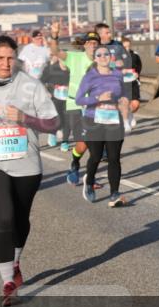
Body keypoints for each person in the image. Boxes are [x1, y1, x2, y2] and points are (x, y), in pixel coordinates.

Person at [0, 35, 59, 305]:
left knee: (19, 219)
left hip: (26, 162)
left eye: (10, 58)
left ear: (17, 58)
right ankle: (7, 283)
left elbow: (53, 124)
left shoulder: (31, 86)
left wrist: (24, 118)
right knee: (3, 217)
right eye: (0, 58)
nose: (5, 63)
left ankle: (14, 263)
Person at [75, 44, 128, 207]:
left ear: (111, 57)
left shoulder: (118, 75)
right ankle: (89, 181)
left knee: (114, 158)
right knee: (96, 157)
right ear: (95, 58)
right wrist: (98, 98)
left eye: (107, 54)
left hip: (113, 119)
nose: (103, 57)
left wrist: (124, 103)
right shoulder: (90, 76)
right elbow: (79, 99)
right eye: (99, 55)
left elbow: (123, 94)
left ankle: (114, 194)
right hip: (94, 120)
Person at [48, 22, 99, 186]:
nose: (92, 45)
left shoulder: (103, 61)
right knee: (85, 144)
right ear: (84, 45)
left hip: (94, 107)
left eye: (95, 43)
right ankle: (78, 166)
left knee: (92, 145)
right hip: (75, 106)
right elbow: (55, 51)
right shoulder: (75, 57)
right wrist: (55, 36)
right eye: (89, 43)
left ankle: (84, 172)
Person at [94, 22, 135, 132]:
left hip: (119, 78)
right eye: (107, 33)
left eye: (110, 32)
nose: (110, 35)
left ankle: (126, 122)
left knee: (124, 100)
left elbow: (127, 60)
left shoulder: (117, 45)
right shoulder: (95, 47)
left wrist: (122, 62)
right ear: (100, 35)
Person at [121, 36, 143, 118]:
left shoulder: (135, 55)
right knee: (125, 103)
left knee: (136, 104)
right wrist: (121, 72)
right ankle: (125, 120)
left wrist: (137, 73)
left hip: (133, 82)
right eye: (125, 47)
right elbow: (112, 67)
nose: (127, 49)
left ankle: (129, 114)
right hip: (122, 83)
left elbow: (139, 66)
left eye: (129, 46)